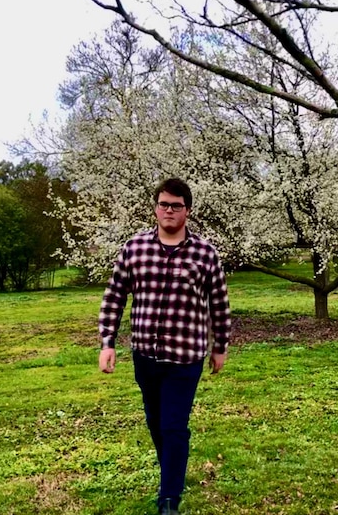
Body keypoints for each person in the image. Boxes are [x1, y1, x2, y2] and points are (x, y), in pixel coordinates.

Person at [97, 178, 231, 515]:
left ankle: (169, 498)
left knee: (174, 425)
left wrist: (221, 346)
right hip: (145, 354)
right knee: (156, 422)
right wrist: (107, 342)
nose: (169, 210)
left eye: (176, 205)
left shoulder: (205, 254)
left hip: (185, 357)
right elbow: (115, 296)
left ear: (188, 210)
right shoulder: (135, 248)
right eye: (163, 204)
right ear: (156, 208)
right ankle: (172, 470)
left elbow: (219, 303)